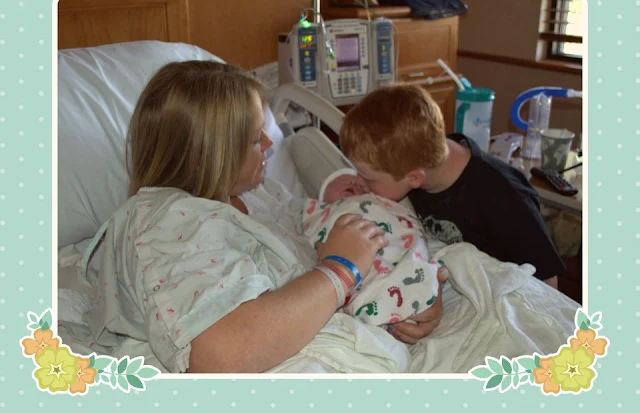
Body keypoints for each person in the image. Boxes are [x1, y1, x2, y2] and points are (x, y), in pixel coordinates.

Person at [85, 61, 391, 374]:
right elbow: (222, 354)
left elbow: (310, 226)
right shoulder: (167, 223)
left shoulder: (258, 193)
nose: (270, 144)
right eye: (257, 139)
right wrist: (341, 269)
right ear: (211, 153)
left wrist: (401, 301)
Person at [339, 84, 566, 296]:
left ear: (414, 178)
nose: (359, 180)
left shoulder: (504, 196)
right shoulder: (418, 154)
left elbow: (548, 285)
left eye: (368, 178)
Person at [303, 169, 447, 327]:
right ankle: (383, 305)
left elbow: (404, 225)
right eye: (339, 181)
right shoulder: (329, 212)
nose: (353, 182)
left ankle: (416, 292)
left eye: (363, 181)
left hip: (393, 245)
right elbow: (315, 239)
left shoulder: (383, 204)